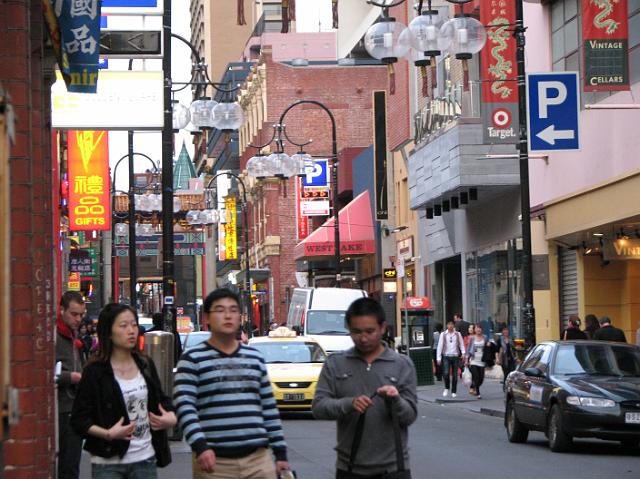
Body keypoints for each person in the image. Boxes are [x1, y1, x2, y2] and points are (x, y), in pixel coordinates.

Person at [174, 288, 290, 478]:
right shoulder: (192, 358)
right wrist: (200, 446)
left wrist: (280, 453)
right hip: (214, 462)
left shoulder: (255, 358)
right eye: (220, 310)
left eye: (233, 310)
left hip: (258, 460)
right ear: (207, 318)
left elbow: (268, 408)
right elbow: (185, 407)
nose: (228, 316)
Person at [312, 297, 417, 478]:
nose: (363, 338)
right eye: (356, 331)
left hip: (393, 469)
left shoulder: (401, 364)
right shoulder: (335, 363)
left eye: (370, 331)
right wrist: (349, 404)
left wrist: (396, 401)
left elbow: (409, 416)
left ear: (383, 328)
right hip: (350, 468)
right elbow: (319, 407)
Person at [70, 303, 176, 478]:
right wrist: (108, 434)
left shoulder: (145, 364)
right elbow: (79, 419)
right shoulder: (95, 371)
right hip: (108, 463)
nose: (131, 330)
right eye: (123, 325)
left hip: (145, 458)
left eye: (134, 325)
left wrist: (170, 417)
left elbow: (162, 401)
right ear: (109, 332)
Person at [56, 291, 86, 479]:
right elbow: (46, 372)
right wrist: (72, 377)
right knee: (68, 464)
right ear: (62, 311)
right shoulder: (55, 337)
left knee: (72, 462)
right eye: (74, 314)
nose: (78, 319)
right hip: (62, 407)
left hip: (74, 406)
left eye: (81, 315)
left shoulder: (71, 336)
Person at [436, 319, 465, 398]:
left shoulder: (457, 334)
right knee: (446, 373)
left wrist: (463, 353)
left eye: (451, 324)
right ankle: (447, 387)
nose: (450, 326)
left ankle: (454, 391)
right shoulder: (443, 334)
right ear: (446, 325)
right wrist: (438, 358)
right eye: (449, 324)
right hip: (446, 356)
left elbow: (461, 344)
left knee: (455, 376)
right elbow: (440, 346)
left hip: (455, 356)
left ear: (454, 325)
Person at [465, 325, 494, 399]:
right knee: (476, 377)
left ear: (482, 330)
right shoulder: (472, 338)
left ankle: (474, 386)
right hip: (474, 360)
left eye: (480, 328)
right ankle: (478, 393)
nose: (479, 330)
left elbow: (490, 345)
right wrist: (466, 360)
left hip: (482, 360)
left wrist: (489, 344)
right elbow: (468, 350)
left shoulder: (485, 337)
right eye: (477, 328)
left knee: (481, 378)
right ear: (475, 330)